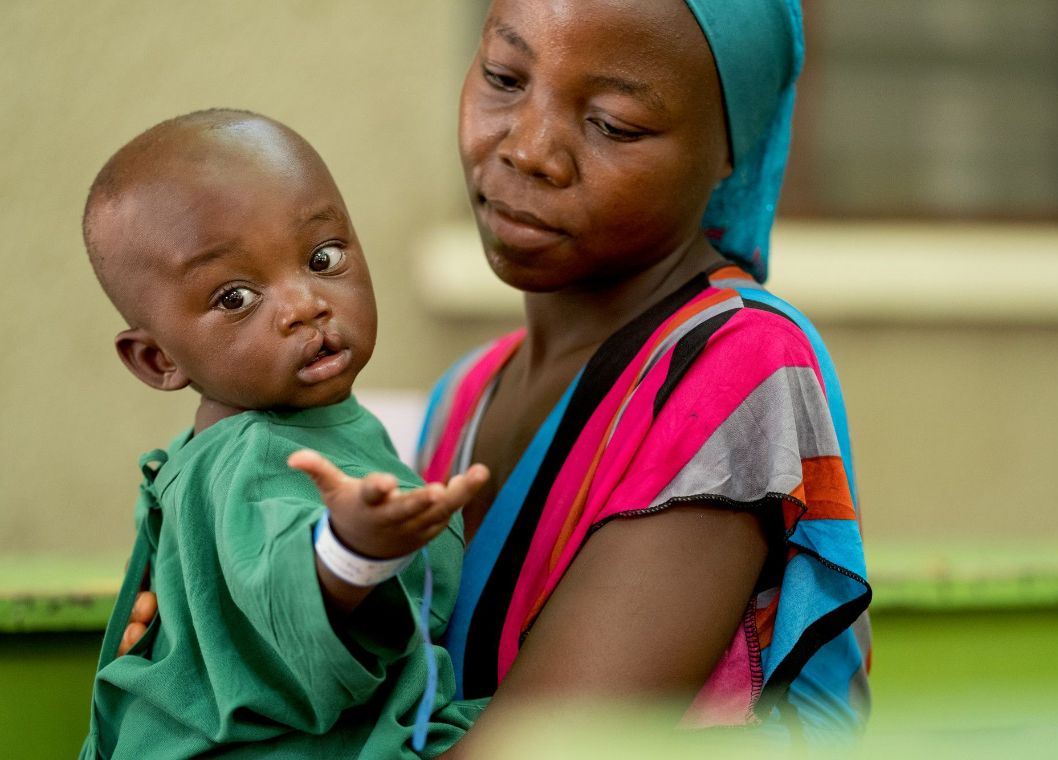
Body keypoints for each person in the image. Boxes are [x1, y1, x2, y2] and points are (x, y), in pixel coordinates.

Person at [122, 0, 872, 749]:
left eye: (613, 123)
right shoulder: (467, 394)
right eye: (505, 78)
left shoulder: (734, 364)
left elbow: (547, 746)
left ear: (728, 149)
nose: (530, 150)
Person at [79, 109, 488, 759]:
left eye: (323, 258)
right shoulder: (257, 457)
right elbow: (278, 583)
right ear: (158, 359)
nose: (304, 305)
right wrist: (348, 552)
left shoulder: (227, 445)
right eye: (235, 298)